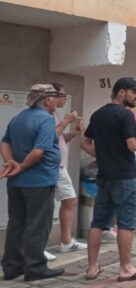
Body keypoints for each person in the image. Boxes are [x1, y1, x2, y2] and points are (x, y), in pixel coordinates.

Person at [81, 77, 136, 282]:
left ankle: (92, 268)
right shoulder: (125, 114)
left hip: (104, 177)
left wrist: (102, 154)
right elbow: (131, 146)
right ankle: (126, 268)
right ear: (122, 92)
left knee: (98, 222)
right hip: (124, 176)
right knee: (126, 223)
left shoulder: (98, 114)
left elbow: (85, 142)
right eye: (134, 92)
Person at [0, 84, 65, 281]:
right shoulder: (46, 119)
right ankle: (35, 267)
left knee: (16, 223)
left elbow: (4, 142)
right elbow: (38, 152)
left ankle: (12, 267)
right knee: (38, 224)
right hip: (39, 181)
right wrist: (20, 166)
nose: (57, 102)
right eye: (55, 98)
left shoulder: (18, 117)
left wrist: (10, 162)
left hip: (16, 183)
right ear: (47, 100)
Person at [51, 83, 87, 258]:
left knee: (69, 200)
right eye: (62, 95)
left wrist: (74, 132)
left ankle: (66, 241)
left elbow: (59, 138)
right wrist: (66, 121)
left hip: (59, 165)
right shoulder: (48, 115)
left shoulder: (55, 114)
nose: (64, 98)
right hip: (53, 166)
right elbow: (49, 136)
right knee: (67, 200)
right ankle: (64, 241)